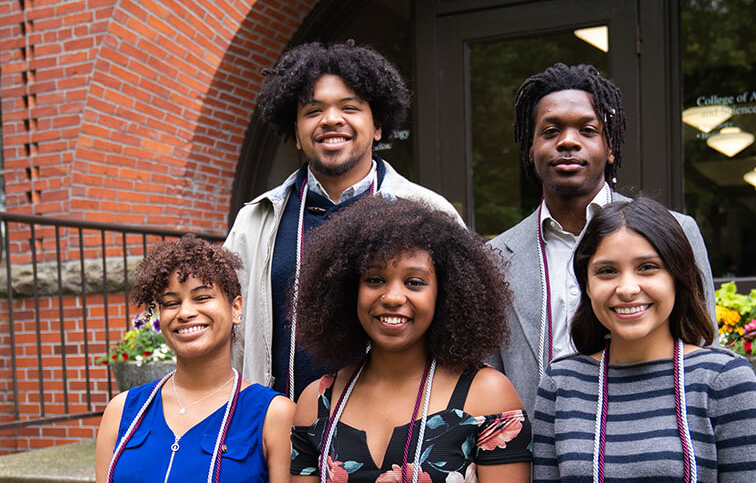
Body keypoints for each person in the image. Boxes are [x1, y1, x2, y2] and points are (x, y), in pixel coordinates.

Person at [224, 41, 462, 402]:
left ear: (378, 126)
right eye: (313, 111)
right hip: (280, 434)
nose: (331, 119)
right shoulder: (255, 221)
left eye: (349, 107)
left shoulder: (430, 212)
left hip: (396, 436)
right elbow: (229, 332)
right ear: (298, 133)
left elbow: (461, 327)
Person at [487, 63, 717, 414]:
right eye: (550, 131)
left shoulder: (677, 232)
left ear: (610, 148)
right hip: (541, 457)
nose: (567, 141)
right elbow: (489, 375)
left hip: (654, 441)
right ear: (530, 150)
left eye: (587, 130)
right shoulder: (493, 258)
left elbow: (703, 342)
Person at [289, 196, 531, 483]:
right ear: (347, 290)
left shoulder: (488, 395)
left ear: (447, 292)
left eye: (414, 282)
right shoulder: (316, 403)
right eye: (375, 279)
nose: (392, 297)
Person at [532, 197, 756, 482]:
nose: (627, 289)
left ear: (677, 277)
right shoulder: (560, 382)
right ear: (587, 285)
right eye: (607, 271)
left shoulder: (724, 379)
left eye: (647, 267)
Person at [94, 235, 296, 483]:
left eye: (202, 297)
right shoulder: (123, 411)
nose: (185, 312)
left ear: (236, 309)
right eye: (171, 303)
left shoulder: (273, 415)